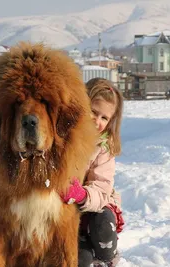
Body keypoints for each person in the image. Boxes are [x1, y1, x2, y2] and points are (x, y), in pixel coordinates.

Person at [62, 78, 125, 267]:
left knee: (104, 222)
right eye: (93, 112)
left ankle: (106, 258)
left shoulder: (103, 148)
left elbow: (102, 187)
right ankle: (85, 252)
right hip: (66, 212)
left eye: (104, 118)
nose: (97, 121)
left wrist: (82, 195)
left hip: (92, 208)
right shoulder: (63, 136)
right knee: (81, 260)